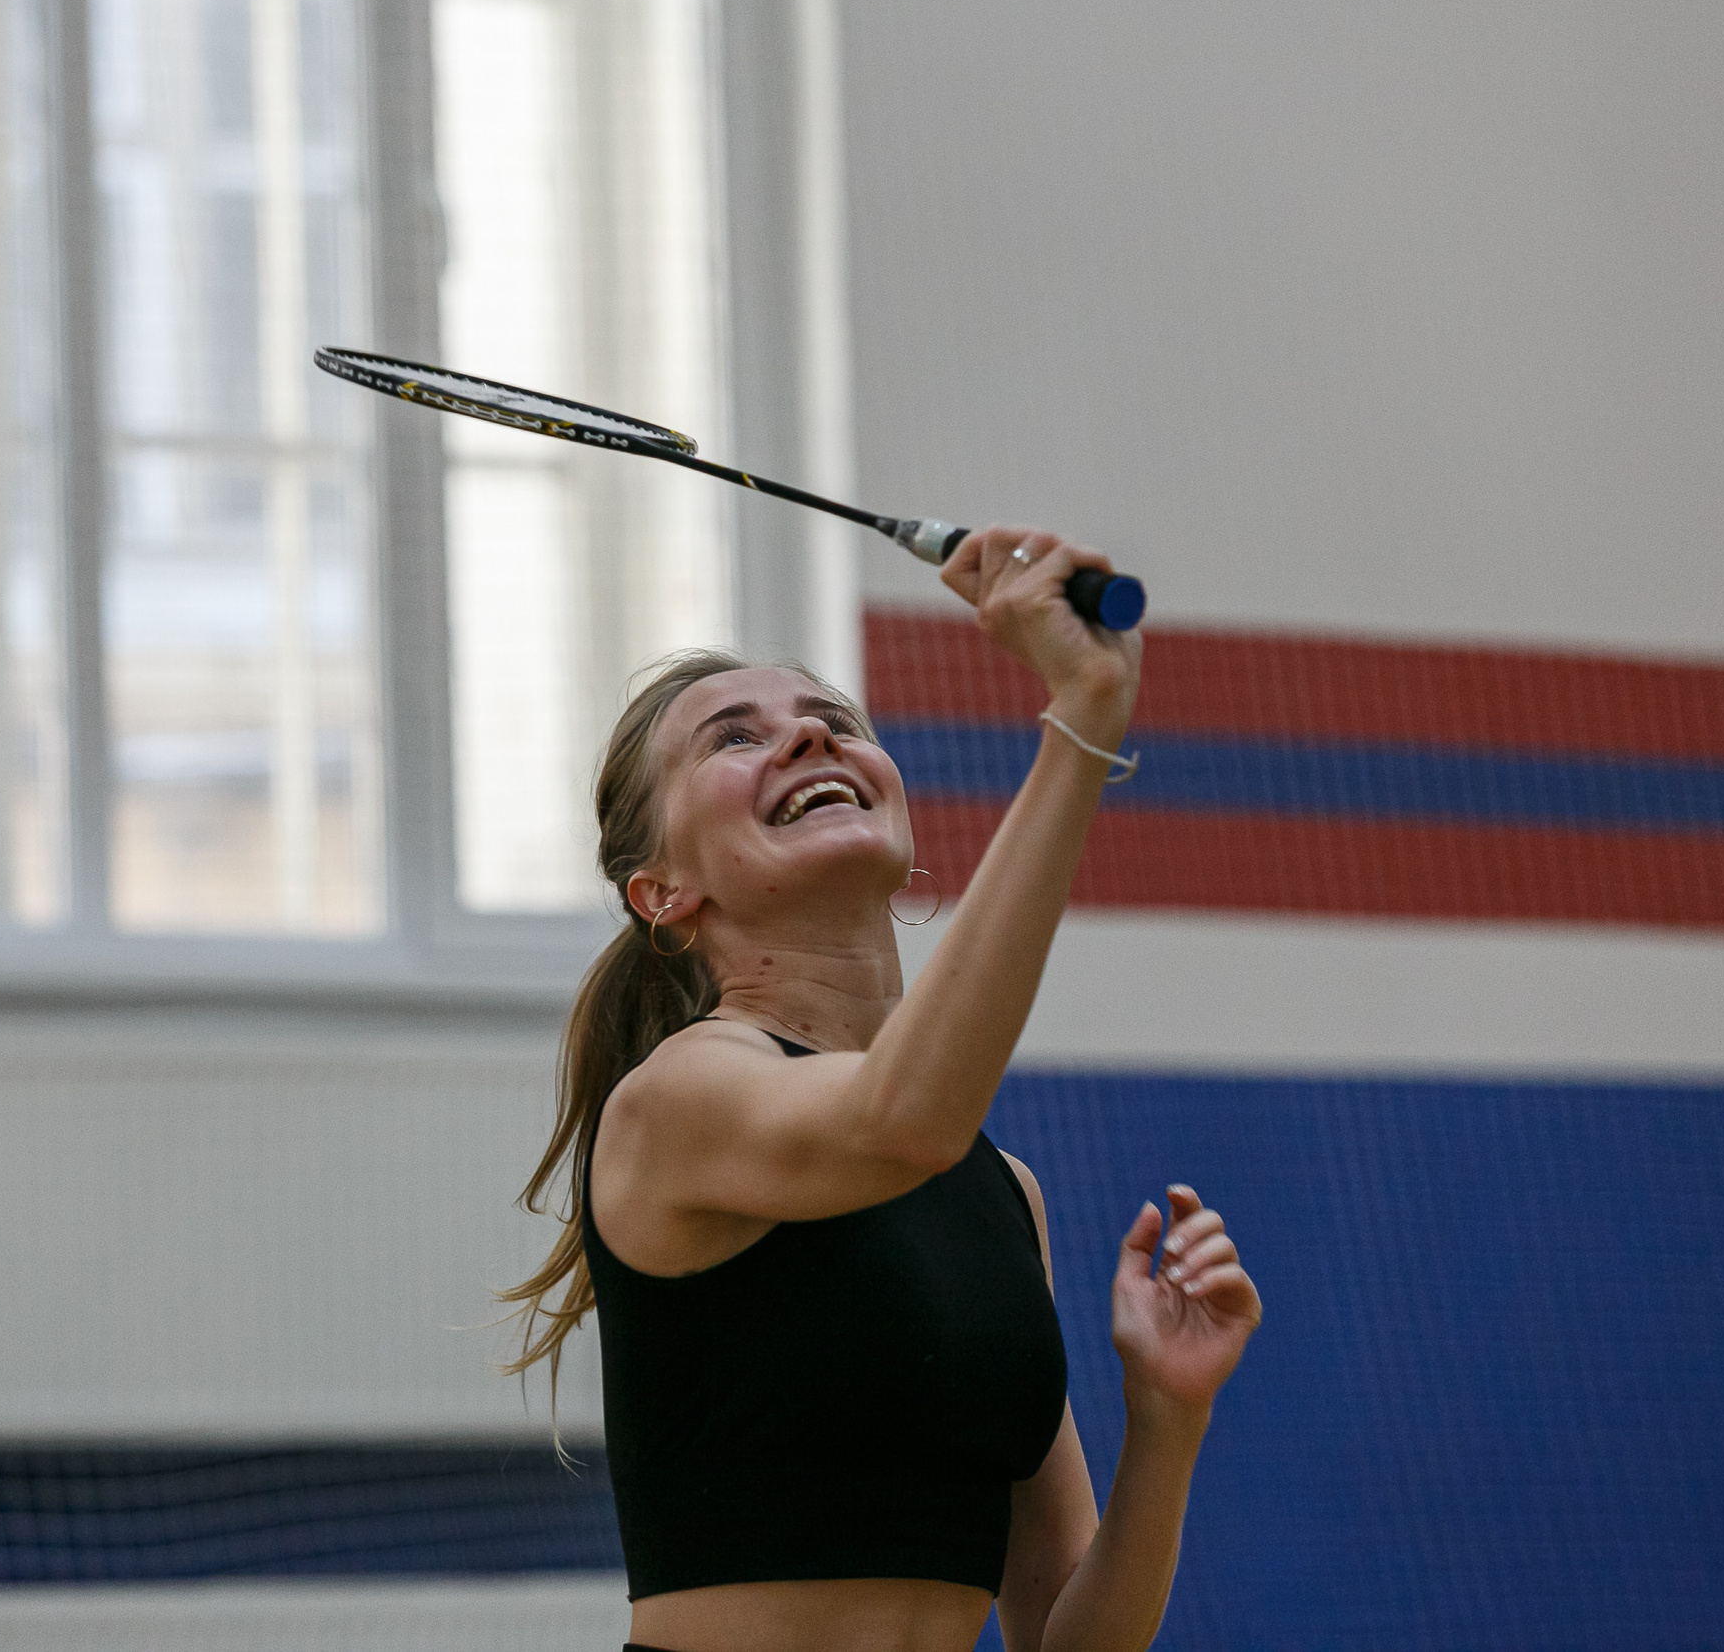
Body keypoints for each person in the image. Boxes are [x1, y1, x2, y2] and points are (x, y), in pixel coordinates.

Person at [502, 527, 1262, 1652]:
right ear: (660, 892)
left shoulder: (1003, 1189)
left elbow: (1065, 1638)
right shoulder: (681, 1099)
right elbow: (902, 1119)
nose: (810, 734)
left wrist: (1167, 1419)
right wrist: (1081, 722)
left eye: (835, 721)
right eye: (734, 737)